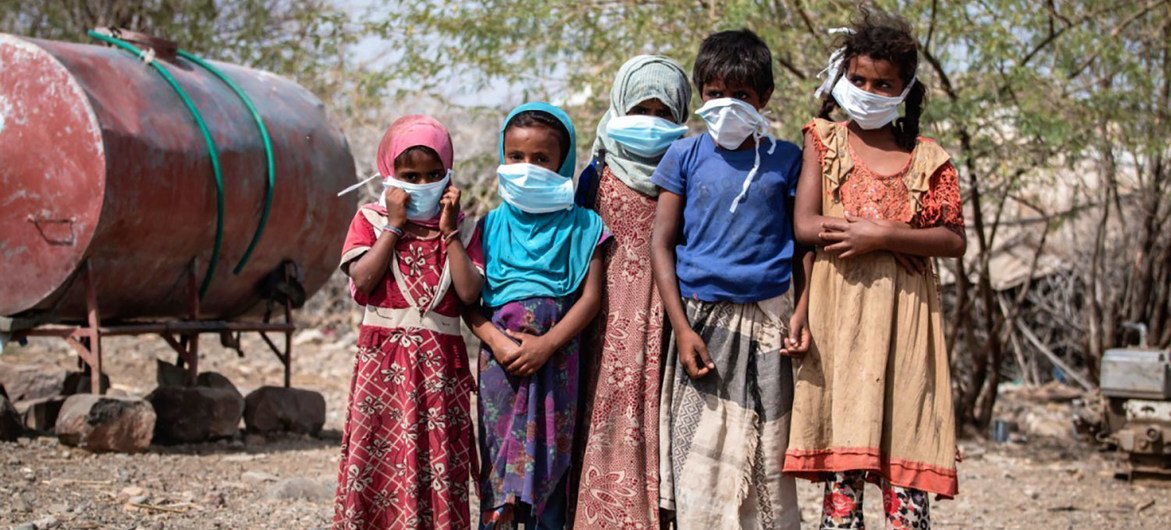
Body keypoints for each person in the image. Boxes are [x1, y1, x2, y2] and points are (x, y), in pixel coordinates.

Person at [783, 9, 966, 529]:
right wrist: (894, 239)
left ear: (905, 89)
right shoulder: (825, 141)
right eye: (858, 79)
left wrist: (881, 234)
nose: (867, 90)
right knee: (846, 453)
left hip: (905, 325)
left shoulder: (929, 159)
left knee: (904, 432)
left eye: (883, 84)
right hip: (839, 320)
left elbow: (953, 238)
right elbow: (805, 224)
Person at [650, 29, 809, 530]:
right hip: (701, 322)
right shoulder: (685, 155)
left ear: (764, 98)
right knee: (700, 457)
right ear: (701, 94)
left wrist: (801, 314)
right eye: (715, 94)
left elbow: (804, 245)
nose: (726, 106)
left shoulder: (787, 160)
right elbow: (662, 244)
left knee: (766, 455)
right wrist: (682, 328)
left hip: (768, 324)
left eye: (740, 96)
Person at [334, 115, 483, 530]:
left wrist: (449, 231)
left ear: (449, 175)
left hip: (440, 372)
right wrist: (395, 226)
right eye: (411, 175)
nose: (423, 183)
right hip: (382, 367)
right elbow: (363, 280)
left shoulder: (464, 227)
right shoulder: (371, 220)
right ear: (389, 174)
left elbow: (469, 293)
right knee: (379, 456)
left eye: (434, 174)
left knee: (438, 462)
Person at [468, 102, 609, 529]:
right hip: (501, 365)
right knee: (497, 462)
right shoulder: (488, 227)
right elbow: (470, 302)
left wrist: (548, 344)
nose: (526, 168)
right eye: (516, 157)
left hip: (557, 361)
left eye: (541, 159)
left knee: (552, 459)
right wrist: (495, 339)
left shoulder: (584, 225)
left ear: (563, 163)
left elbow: (590, 297)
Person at [570, 54, 691, 530]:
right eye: (642, 110)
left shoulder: (687, 172)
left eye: (665, 114)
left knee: (661, 423)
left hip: (669, 319)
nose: (652, 124)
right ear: (620, 105)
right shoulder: (596, 177)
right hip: (602, 321)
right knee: (600, 417)